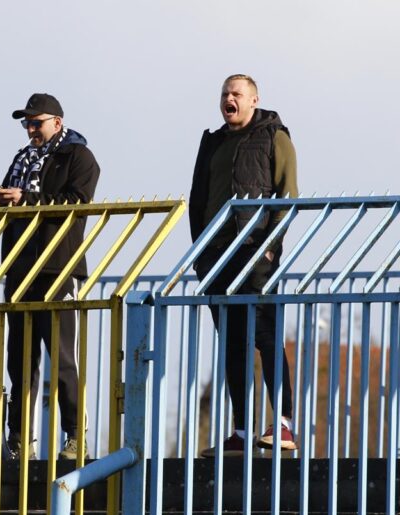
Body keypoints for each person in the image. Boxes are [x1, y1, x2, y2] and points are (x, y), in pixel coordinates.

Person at [189, 74, 299, 457]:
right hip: (216, 255)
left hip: (255, 252)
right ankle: (240, 431)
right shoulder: (213, 141)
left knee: (266, 336)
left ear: (254, 99)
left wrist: (270, 247)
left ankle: (282, 424)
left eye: (236, 93)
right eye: (224, 93)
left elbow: (288, 195)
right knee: (233, 343)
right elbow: (198, 198)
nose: (228, 99)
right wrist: (200, 254)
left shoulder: (274, 136)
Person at [0, 93, 100, 460]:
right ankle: (20, 439)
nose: (30, 130)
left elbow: (77, 203)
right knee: (19, 360)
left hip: (57, 267)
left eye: (36, 122)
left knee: (62, 358)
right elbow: (8, 204)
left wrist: (27, 199)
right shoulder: (22, 158)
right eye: (27, 123)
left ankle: (75, 437)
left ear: (57, 122)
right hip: (20, 268)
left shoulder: (79, 156)